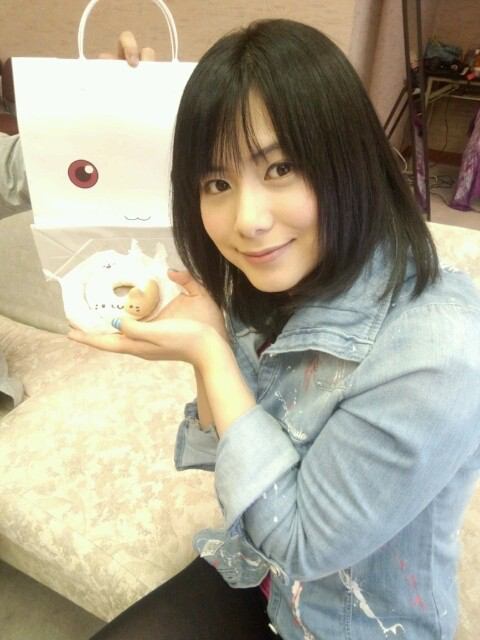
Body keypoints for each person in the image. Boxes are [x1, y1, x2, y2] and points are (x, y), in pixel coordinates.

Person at [67, 18, 479, 640]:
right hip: (257, 572)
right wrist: (106, 116)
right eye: (217, 182)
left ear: (351, 158)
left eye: (280, 168)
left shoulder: (438, 350)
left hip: (348, 623)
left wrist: (210, 355)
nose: (248, 220)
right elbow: (228, 457)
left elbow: (301, 543)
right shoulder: (277, 277)